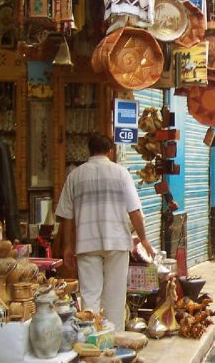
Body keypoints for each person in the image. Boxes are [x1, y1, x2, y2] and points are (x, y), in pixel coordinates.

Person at [56, 134, 156, 332]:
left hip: (86, 243)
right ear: (110, 151)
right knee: (115, 297)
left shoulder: (75, 175)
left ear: (89, 150)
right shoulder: (121, 173)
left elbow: (67, 216)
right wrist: (143, 239)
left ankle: (90, 343)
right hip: (117, 243)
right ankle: (114, 344)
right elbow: (134, 210)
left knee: (90, 296)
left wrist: (67, 246)